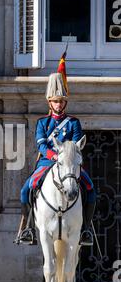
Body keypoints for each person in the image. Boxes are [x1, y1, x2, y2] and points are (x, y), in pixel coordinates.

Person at [17, 72, 96, 246]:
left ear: (65, 103)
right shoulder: (42, 123)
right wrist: (54, 156)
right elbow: (42, 146)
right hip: (47, 162)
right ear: (49, 102)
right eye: (55, 101)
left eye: (61, 101)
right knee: (25, 190)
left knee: (89, 187)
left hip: (69, 164)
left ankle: (86, 230)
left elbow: (75, 145)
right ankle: (29, 229)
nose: (58, 104)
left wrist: (65, 157)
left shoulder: (73, 122)